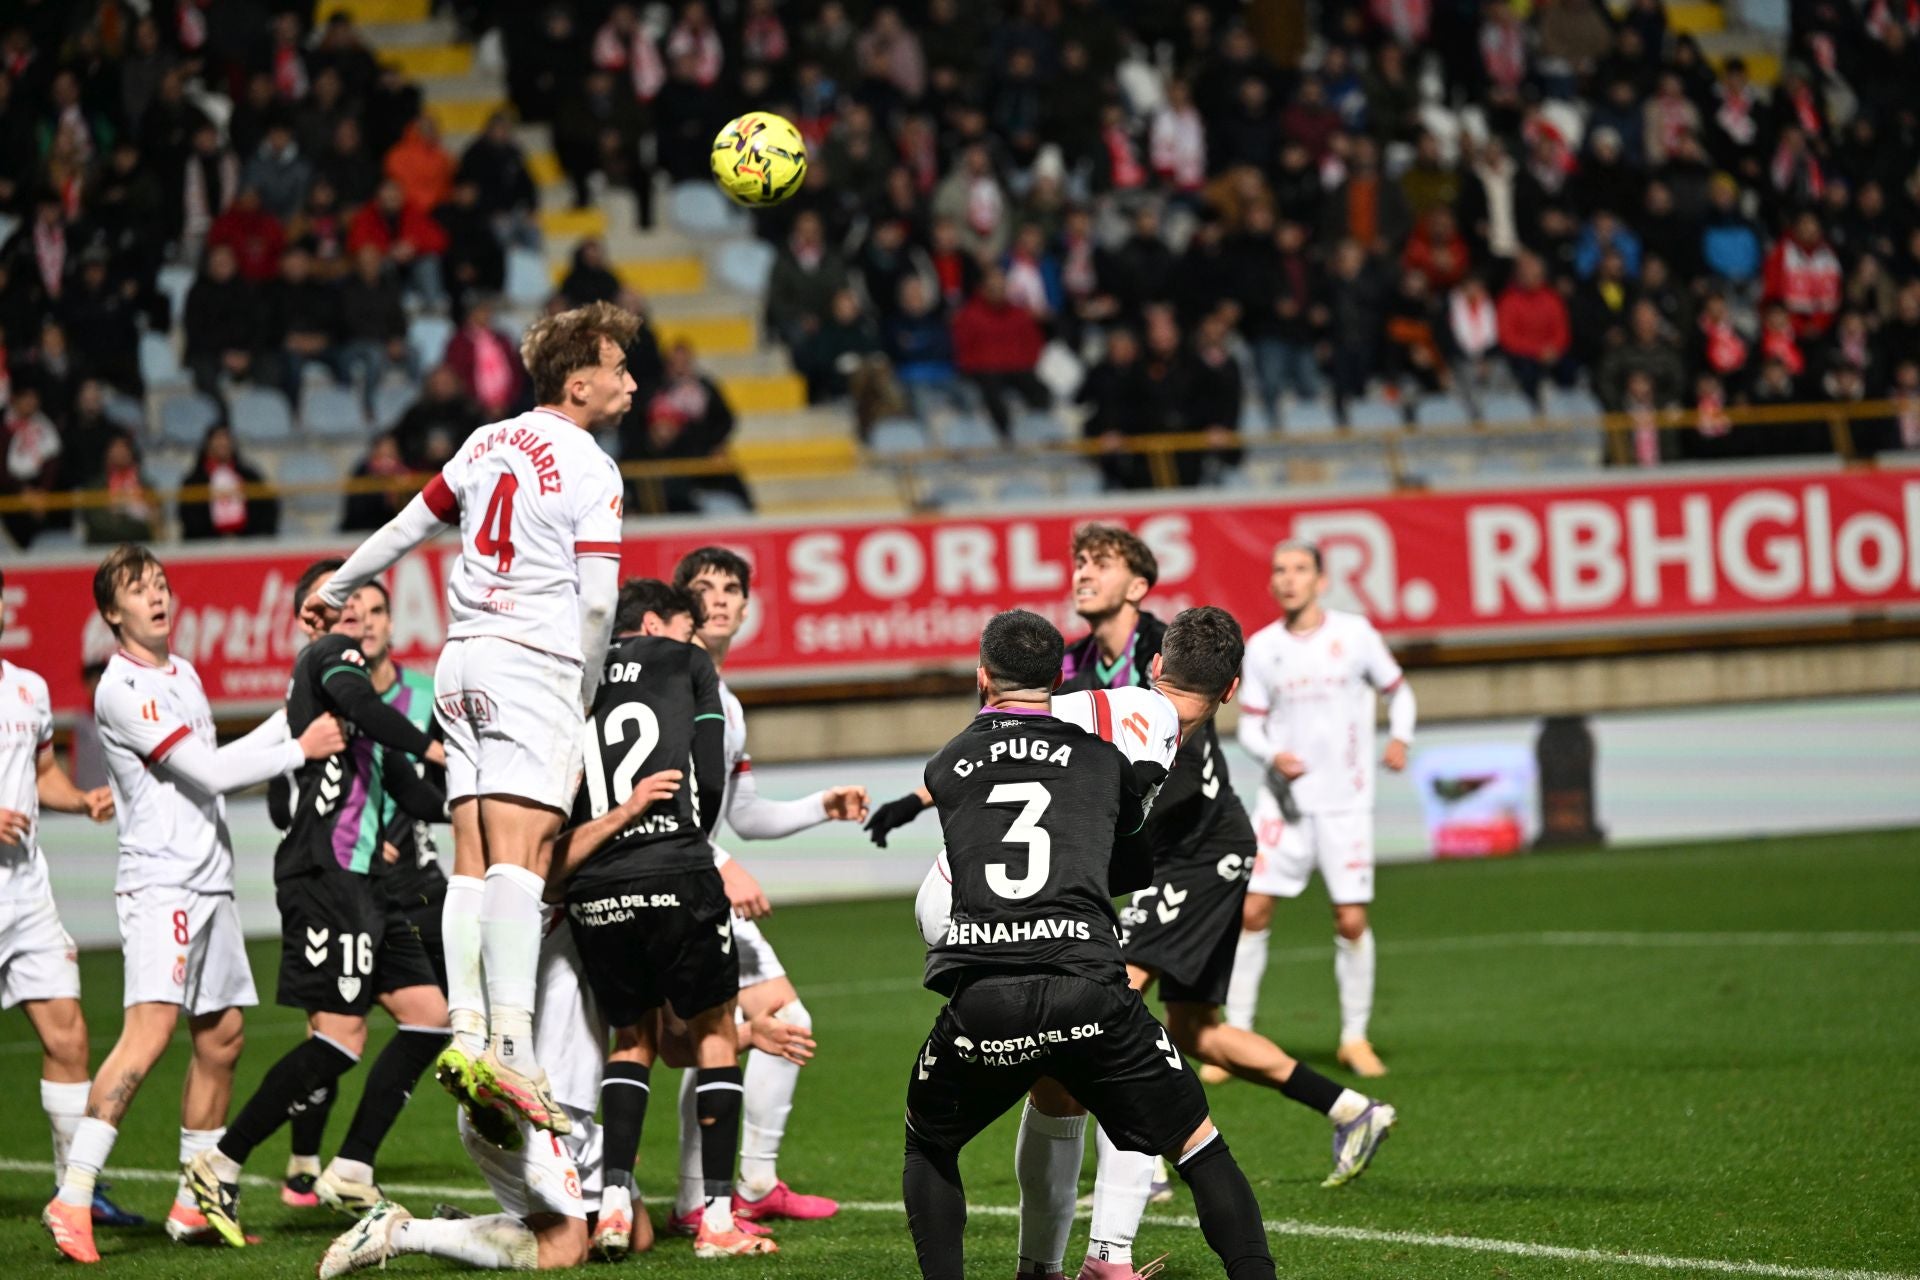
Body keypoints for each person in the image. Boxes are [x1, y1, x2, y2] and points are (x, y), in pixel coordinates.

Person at [300, 302, 636, 1142]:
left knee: (473, 860)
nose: (631, 381)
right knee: (525, 860)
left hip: (461, 662)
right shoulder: (592, 467)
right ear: (579, 379)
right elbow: (598, 600)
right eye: (620, 367)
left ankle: (468, 1033)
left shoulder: (486, 442)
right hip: (534, 663)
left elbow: (409, 526)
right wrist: (586, 685)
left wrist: (338, 586)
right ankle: (516, 1054)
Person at [903, 610, 1276, 1280]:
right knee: (1130, 1072)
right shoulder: (1141, 717)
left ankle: (1056, 1266)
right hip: (979, 897)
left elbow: (1003, 724)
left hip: (988, 907)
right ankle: (1108, 1256)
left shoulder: (1127, 715)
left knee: (1058, 1081)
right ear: (1231, 690)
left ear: (1158, 663)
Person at [43, 546, 344, 1262]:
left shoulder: (181, 673)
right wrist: (300, 748)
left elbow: (240, 747)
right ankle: (73, 1195)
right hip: (162, 885)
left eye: (162, 585)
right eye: (139, 589)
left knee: (223, 1036)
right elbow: (210, 773)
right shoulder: (123, 688)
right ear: (111, 612)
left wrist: (302, 688)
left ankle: (193, 1201)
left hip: (209, 880)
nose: (158, 596)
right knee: (147, 1037)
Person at [184, 561, 451, 1245]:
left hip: (366, 883)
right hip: (325, 874)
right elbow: (370, 717)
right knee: (339, 1037)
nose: (354, 604)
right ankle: (221, 1162)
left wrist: (476, 796)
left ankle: (352, 1165)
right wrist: (431, 744)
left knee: (428, 1019)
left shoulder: (353, 694)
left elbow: (411, 791)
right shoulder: (331, 660)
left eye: (360, 595)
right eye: (338, 596)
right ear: (313, 615)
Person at [555, 578, 773, 1258]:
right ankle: (715, 1221)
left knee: (631, 1037)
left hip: (595, 882)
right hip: (675, 866)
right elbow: (709, 777)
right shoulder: (688, 661)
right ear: (655, 622)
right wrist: (689, 847)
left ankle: (614, 1205)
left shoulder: (574, 673)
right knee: (713, 1032)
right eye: (685, 625)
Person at [664, 547, 870, 1238]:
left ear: (748, 607)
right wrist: (718, 864)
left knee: (746, 1025)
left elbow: (742, 811)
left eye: (731, 589)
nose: (719, 599)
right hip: (671, 880)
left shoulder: (724, 698)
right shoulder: (671, 684)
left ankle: (732, 1186)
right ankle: (717, 1191)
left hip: (694, 876)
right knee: (739, 1025)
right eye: (703, 588)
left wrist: (822, 805)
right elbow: (672, 808)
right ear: (680, 603)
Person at [282, 579, 452, 1207]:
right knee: (334, 1027)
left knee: (446, 1019)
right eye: (355, 610)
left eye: (377, 609)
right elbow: (286, 795)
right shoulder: (320, 692)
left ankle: (350, 1163)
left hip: (420, 882)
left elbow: (429, 783)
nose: (367, 620)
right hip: (351, 878)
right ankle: (305, 1158)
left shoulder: (428, 693)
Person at [1219, 542, 1417, 1081]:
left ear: (1321, 581)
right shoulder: (1261, 648)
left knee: (1351, 919)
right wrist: (1269, 754)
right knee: (1253, 912)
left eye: (1300, 569)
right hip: (1283, 809)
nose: (1288, 578)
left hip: (1345, 803)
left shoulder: (1354, 635)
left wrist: (1400, 737)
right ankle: (1236, 1035)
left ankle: (1354, 1037)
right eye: (1279, 569)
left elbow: (1400, 693)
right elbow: (1252, 724)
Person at [0, 568, 141, 1230]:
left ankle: (74, 1193)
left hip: (26, 892)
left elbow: (42, 774)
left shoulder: (29, 690)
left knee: (69, 1033)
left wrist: (78, 799)